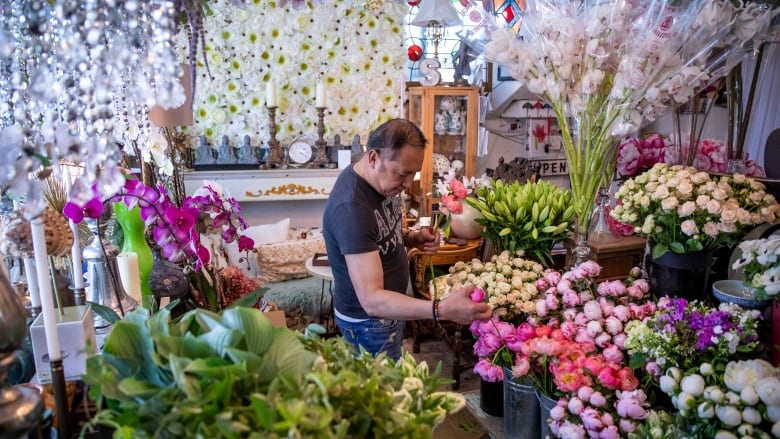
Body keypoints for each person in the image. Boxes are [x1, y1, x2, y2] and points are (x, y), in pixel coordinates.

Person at [322, 118, 492, 360]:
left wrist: (411, 238)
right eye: (402, 174)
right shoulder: (351, 208)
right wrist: (441, 309)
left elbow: (377, 232)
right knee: (383, 395)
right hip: (369, 324)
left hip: (390, 314)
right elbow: (372, 300)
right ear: (373, 158)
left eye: (413, 173)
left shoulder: (381, 183)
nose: (407, 183)